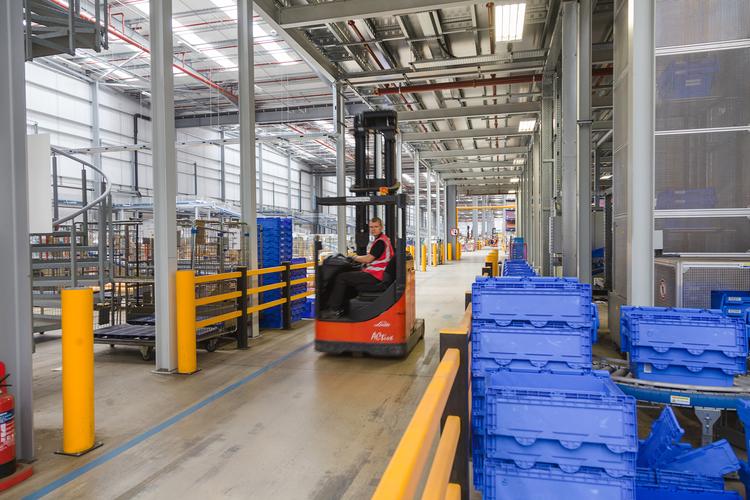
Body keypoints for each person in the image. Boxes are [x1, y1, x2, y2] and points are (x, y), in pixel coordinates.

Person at [321, 217, 393, 319]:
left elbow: (368, 259)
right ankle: (343, 308)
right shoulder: (383, 239)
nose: (373, 229)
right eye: (371, 227)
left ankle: (333, 309)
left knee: (341, 277)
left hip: (376, 275)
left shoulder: (380, 242)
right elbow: (374, 258)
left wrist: (354, 257)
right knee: (350, 276)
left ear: (381, 227)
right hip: (378, 274)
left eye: (376, 227)